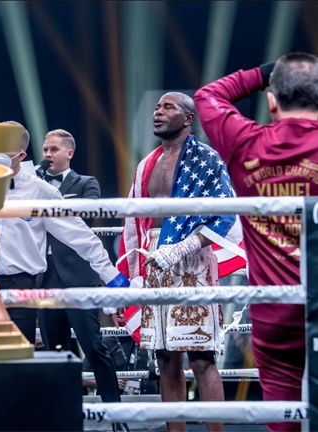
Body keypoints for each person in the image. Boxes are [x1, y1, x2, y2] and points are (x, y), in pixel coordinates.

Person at [194, 52, 318, 432]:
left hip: (273, 311)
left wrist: (266, 74)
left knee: (282, 420)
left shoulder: (246, 142)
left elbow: (207, 96)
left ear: (271, 100)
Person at [0, 121, 130, 432]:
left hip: (31, 285)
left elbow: (81, 233)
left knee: (80, 350)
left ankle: (109, 416)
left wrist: (113, 277)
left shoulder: (43, 189)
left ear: (19, 152)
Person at [116, 92, 244, 432]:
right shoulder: (146, 164)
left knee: (202, 357)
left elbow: (225, 215)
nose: (158, 112)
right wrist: (133, 279)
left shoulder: (206, 160)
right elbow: (133, 225)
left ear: (188, 118)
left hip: (192, 263)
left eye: (167, 107)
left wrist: (184, 246)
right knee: (164, 358)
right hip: (153, 261)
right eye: (157, 107)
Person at [35, 128, 124, 409]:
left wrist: (47, 196)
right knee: (55, 352)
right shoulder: (33, 184)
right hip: (44, 276)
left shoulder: (86, 183)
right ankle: (63, 414)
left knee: (95, 347)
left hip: (78, 275)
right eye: (45, 149)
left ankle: (115, 413)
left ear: (69, 153)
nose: (47, 154)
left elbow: (87, 217)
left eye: (54, 150)